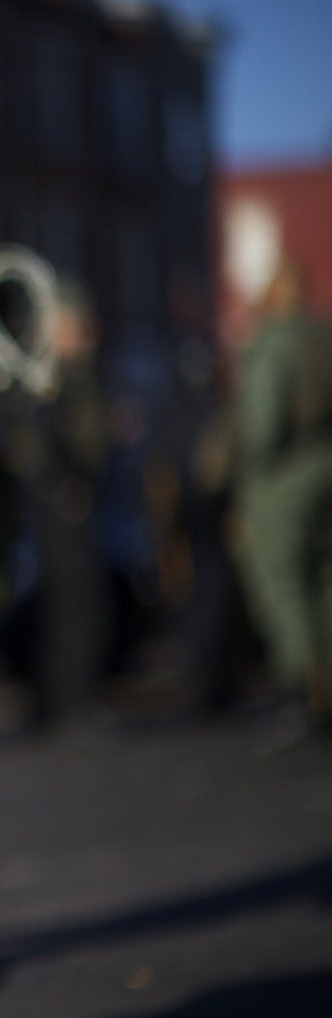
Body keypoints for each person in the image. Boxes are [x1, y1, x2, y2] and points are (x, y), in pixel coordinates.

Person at [0, 280, 114, 729]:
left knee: (74, 601)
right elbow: (42, 443)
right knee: (72, 602)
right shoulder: (48, 380)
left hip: (68, 496)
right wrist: (62, 483)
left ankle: (68, 696)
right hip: (61, 501)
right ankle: (68, 698)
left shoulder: (66, 375)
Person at [232, 257, 332, 740]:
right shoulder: (322, 337)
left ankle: (300, 689)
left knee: (280, 585)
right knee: (323, 582)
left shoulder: (274, 343)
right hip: (324, 465)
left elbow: (262, 428)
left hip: (284, 477)